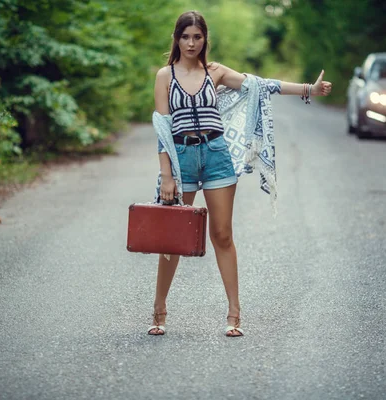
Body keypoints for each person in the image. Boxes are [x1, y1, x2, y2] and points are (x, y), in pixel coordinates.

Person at [148, 10, 332, 337]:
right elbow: (162, 128)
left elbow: (260, 86)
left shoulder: (215, 72)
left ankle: (234, 312)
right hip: (182, 159)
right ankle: (159, 308)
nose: (191, 43)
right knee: (172, 238)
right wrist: (166, 175)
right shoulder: (165, 76)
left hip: (217, 156)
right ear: (176, 39)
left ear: (205, 40)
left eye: (197, 37)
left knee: (222, 235)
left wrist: (309, 89)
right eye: (185, 36)